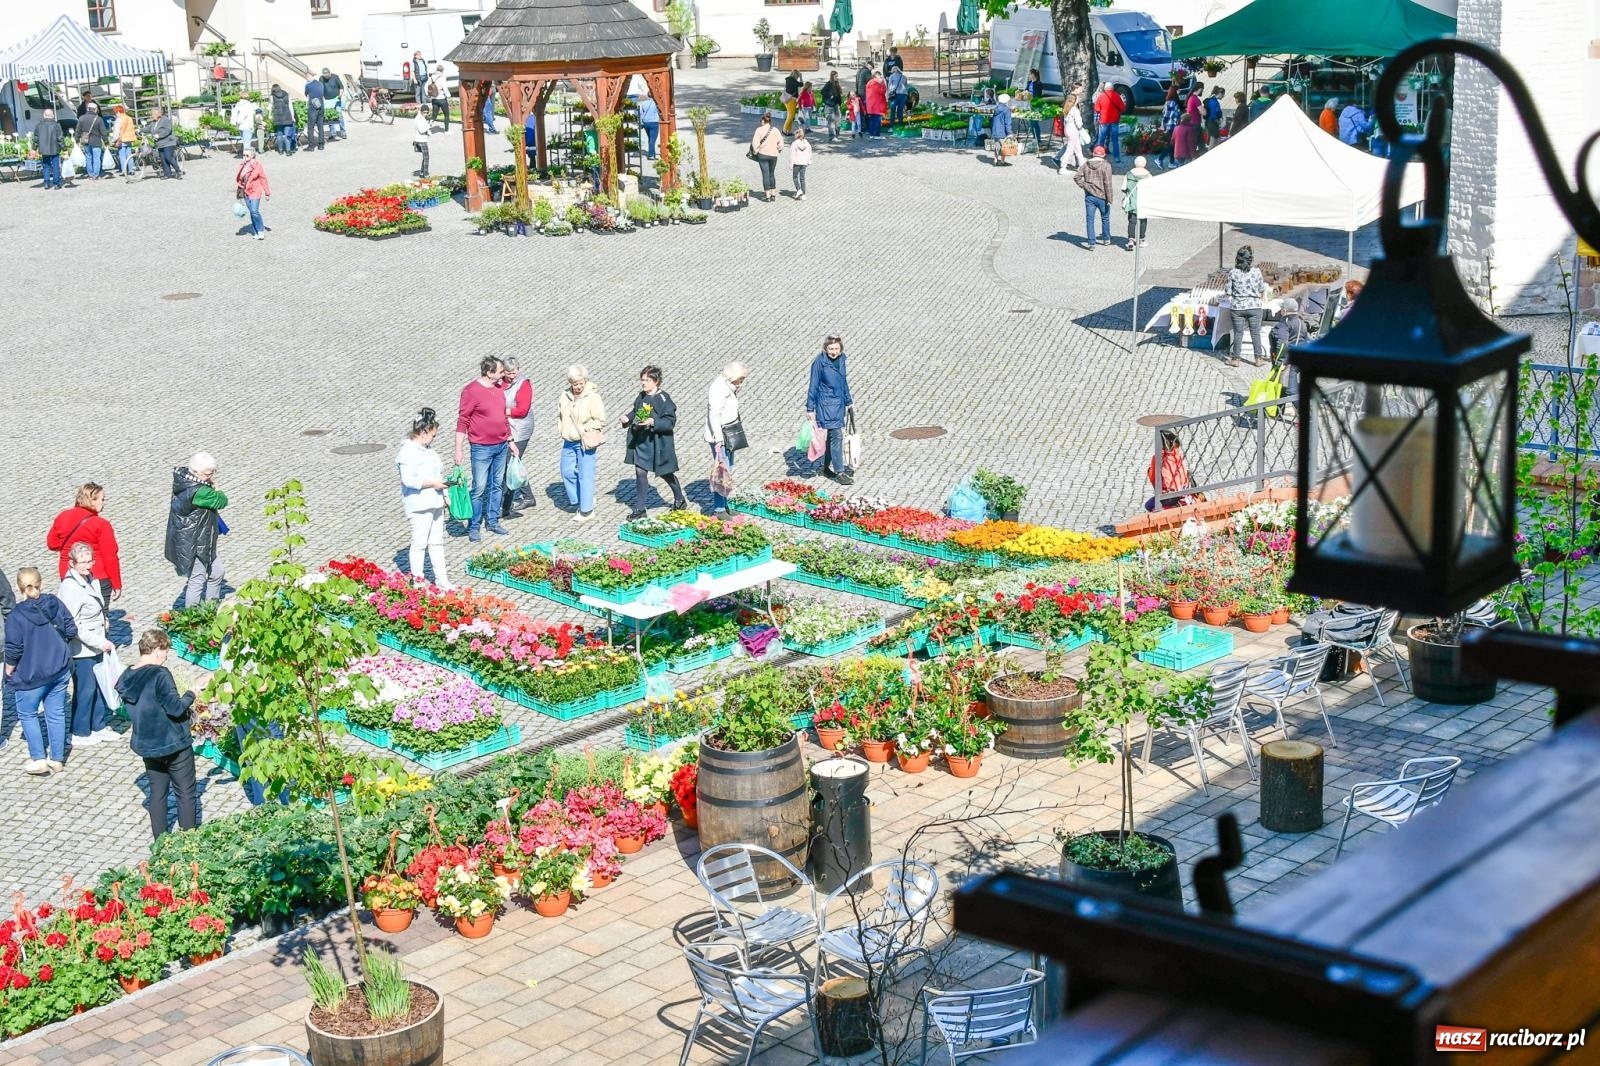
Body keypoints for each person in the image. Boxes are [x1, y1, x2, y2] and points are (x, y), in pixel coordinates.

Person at [118, 630, 198, 840]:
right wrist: (192, 693)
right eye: (165, 651)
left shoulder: (127, 676)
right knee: (186, 794)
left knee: (157, 795)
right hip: (173, 743)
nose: (166, 657)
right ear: (155, 650)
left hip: (148, 746)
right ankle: (189, 841)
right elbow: (175, 709)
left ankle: (160, 843)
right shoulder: (159, 675)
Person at [4, 568, 76, 775]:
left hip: (31, 675)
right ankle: (57, 759)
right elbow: (70, 628)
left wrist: (9, 668)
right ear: (40, 583)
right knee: (56, 713)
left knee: (28, 714)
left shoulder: (16, 616)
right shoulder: (53, 602)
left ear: (19, 588)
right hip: (59, 669)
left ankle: (38, 758)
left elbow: (13, 649)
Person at [57, 543, 115, 750]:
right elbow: (73, 624)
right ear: (72, 563)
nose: (89, 566)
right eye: (84, 562)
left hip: (97, 643)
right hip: (82, 649)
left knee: (99, 684)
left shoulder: (91, 579)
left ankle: (98, 725)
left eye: (90, 561)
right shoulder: (70, 587)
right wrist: (100, 641)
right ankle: (79, 731)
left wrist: (104, 621)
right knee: (85, 689)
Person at [454, 356, 514, 542]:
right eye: (500, 372)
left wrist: (510, 440)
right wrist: (458, 448)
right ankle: (474, 525)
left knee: (497, 485)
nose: (503, 375)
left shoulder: (499, 389)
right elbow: (463, 420)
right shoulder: (471, 391)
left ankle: (493, 521)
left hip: (501, 445)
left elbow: (503, 417)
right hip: (481, 447)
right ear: (489, 373)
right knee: (479, 488)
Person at [396, 408, 453, 588]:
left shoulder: (428, 450)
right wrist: (433, 484)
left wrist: (445, 494)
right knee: (420, 544)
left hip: (435, 501)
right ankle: (418, 582)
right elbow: (409, 480)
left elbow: (438, 472)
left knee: (437, 543)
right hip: (419, 504)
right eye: (433, 435)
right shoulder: (407, 452)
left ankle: (442, 581)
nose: (434, 439)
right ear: (423, 432)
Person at [165, 453, 228, 607]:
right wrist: (217, 490)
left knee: (217, 572)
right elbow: (222, 501)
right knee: (197, 579)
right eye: (208, 473)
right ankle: (193, 620)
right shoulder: (199, 491)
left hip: (198, 539)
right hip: (195, 543)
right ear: (195, 472)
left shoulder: (185, 481)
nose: (212, 476)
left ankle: (210, 608)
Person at [623, 366, 686, 518]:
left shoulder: (663, 399)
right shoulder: (642, 396)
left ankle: (679, 498)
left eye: (647, 380)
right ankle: (640, 509)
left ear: (656, 381)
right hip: (641, 442)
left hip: (657, 444)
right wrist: (628, 418)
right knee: (640, 473)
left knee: (665, 473)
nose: (643, 383)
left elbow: (669, 421)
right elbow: (637, 412)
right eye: (642, 380)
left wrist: (653, 421)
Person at [47, 484, 122, 606]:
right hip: (97, 576)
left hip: (69, 573)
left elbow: (52, 544)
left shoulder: (62, 517)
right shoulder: (101, 524)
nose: (103, 503)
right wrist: (116, 583)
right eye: (101, 499)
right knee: (98, 617)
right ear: (91, 500)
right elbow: (110, 557)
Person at [558, 366, 606, 523]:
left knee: (586, 475)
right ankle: (584, 498)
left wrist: (584, 429)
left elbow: (600, 420)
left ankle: (586, 510)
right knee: (566, 471)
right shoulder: (565, 396)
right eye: (575, 383)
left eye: (581, 383)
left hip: (585, 440)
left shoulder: (593, 397)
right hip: (569, 440)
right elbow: (561, 415)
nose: (578, 386)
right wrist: (562, 430)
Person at [806, 336, 854, 484]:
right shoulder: (819, 363)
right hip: (826, 405)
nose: (834, 352)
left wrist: (849, 401)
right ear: (825, 349)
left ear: (841, 349)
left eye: (836, 349)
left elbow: (843, 382)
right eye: (831, 349)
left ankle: (826, 467)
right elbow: (813, 386)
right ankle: (840, 472)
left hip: (838, 404)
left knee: (832, 437)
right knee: (836, 436)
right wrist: (810, 407)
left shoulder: (841, 360)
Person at [705, 363, 747, 514]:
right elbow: (714, 415)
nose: (740, 382)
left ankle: (725, 504)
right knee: (722, 472)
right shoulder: (718, 389)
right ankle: (719, 508)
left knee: (727, 470)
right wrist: (718, 439)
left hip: (729, 432)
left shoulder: (728, 385)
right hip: (721, 435)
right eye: (739, 379)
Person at [501, 357, 537, 515]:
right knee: (509, 464)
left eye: (514, 372)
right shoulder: (500, 383)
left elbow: (522, 410)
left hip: (520, 429)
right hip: (505, 428)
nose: (512, 376)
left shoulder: (524, 385)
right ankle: (523, 497)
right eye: (509, 373)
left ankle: (506, 504)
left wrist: (503, 411)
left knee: (511, 463)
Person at [1225, 245, 1269, 368]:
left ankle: (1235, 359)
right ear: (1250, 259)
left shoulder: (1233, 272)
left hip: (1237, 307)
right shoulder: (1257, 271)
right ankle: (1258, 359)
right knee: (1255, 333)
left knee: (1238, 333)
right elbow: (1261, 288)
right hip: (1254, 306)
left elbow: (1228, 291)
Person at [1075, 144, 1114, 248]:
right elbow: (1108, 183)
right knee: (1105, 218)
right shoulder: (1106, 165)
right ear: (1104, 155)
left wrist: (1085, 185)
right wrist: (1110, 198)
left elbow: (1077, 177)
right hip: (1103, 196)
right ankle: (1106, 239)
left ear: (1093, 154)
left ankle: (1091, 242)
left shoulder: (1086, 164)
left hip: (1089, 196)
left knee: (1090, 219)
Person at [1146, 430, 1195, 510]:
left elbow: (1154, 479)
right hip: (1184, 492)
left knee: (1148, 505)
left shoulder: (1158, 458)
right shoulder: (1178, 455)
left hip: (1170, 497)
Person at [235, 149, 270, 241]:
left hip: (255, 191)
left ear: (252, 156)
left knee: (254, 211)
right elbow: (240, 179)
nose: (245, 157)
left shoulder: (257, 165)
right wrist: (239, 187)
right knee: (251, 212)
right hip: (246, 191)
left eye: (247, 156)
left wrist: (267, 192)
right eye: (244, 155)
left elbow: (263, 178)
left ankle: (261, 230)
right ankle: (255, 231)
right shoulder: (242, 165)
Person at [750, 114, 783, 202]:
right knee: (772, 174)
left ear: (763, 121)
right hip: (773, 155)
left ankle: (767, 196)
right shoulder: (775, 130)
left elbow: (755, 143)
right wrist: (779, 150)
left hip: (763, 155)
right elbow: (781, 143)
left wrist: (756, 151)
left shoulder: (759, 130)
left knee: (765, 175)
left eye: (761, 121)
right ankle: (773, 194)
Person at [1121, 155, 1150, 250]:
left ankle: (1131, 239)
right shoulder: (1148, 175)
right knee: (1143, 221)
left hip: (1132, 202)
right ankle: (1142, 239)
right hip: (1144, 202)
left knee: (1132, 221)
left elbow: (1123, 188)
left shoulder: (1129, 174)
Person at [34, 109, 64, 190]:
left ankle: (46, 183)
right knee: (56, 166)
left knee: (46, 166)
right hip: (55, 148)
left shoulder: (39, 125)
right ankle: (56, 184)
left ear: (44, 115)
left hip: (44, 149)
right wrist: (64, 148)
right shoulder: (57, 125)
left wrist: (34, 148)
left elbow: (36, 138)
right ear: (52, 115)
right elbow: (60, 138)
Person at [1094, 82, 1124, 161]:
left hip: (1103, 120)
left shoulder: (1101, 96)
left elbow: (1097, 109)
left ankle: (1099, 156)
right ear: (1112, 88)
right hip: (1114, 120)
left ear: (1105, 88)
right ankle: (1116, 157)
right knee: (1115, 140)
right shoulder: (1117, 96)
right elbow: (1122, 108)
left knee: (1101, 139)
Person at [1058, 89, 1086, 171]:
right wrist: (1081, 128)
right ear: (1074, 101)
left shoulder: (1067, 109)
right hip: (1073, 130)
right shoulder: (1075, 110)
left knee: (1078, 148)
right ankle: (1063, 166)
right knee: (1070, 149)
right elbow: (1079, 123)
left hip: (1067, 129)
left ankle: (1082, 165)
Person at [148, 106, 180, 178]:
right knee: (163, 159)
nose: (151, 115)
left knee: (168, 157)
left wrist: (159, 135)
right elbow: (148, 128)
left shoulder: (165, 120)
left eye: (152, 114)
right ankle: (168, 174)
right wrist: (140, 130)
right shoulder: (154, 122)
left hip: (168, 142)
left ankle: (178, 171)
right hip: (160, 143)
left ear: (157, 114)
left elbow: (168, 130)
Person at [77, 101, 105, 179]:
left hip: (85, 141)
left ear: (87, 109)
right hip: (96, 141)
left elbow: (78, 130)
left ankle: (90, 174)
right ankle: (96, 175)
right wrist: (106, 141)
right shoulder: (99, 119)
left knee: (88, 157)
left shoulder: (81, 118)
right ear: (95, 109)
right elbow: (103, 131)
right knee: (96, 158)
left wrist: (77, 140)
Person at [1156, 85, 1180, 169]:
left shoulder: (1170, 101)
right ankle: (1160, 159)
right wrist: (1163, 125)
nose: (1179, 92)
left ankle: (1171, 162)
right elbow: (1166, 115)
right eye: (1177, 90)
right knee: (1171, 144)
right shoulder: (1172, 102)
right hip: (1171, 126)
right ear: (1174, 92)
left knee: (1172, 144)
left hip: (1172, 126)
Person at [112, 103, 139, 177]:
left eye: (115, 112)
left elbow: (116, 131)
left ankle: (124, 171)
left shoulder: (119, 119)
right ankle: (131, 170)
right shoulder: (129, 118)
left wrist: (113, 140)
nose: (115, 114)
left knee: (122, 156)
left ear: (118, 112)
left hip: (122, 139)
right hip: (129, 139)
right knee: (129, 155)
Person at [270, 84, 296, 155]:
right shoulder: (286, 94)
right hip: (287, 116)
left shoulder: (272, 97)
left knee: (279, 134)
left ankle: (280, 150)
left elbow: (271, 107)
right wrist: (293, 117)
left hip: (278, 117)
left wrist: (270, 116)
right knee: (288, 134)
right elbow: (290, 106)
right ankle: (288, 151)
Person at [321, 69, 346, 139]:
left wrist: (340, 95)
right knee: (330, 117)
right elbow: (320, 88)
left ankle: (343, 132)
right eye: (325, 76)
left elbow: (341, 87)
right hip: (327, 101)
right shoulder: (321, 78)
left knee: (339, 115)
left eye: (327, 76)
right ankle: (332, 133)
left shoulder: (335, 77)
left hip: (336, 99)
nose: (326, 77)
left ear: (330, 73)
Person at [990, 94, 1013, 166]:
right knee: (1004, 146)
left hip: (995, 130)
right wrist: (1009, 132)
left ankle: (995, 160)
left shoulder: (996, 108)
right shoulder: (1006, 110)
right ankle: (1002, 161)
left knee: (997, 146)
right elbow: (1007, 123)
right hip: (1002, 130)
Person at [637, 91, 660, 159]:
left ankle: (652, 153)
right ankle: (651, 155)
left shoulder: (643, 103)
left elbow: (640, 113)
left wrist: (640, 122)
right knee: (653, 139)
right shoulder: (656, 103)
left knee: (650, 138)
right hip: (654, 122)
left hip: (646, 122)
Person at [790, 125, 811, 200]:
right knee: (802, 178)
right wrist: (809, 161)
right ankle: (804, 194)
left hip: (797, 163)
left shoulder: (794, 143)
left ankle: (798, 190)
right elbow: (809, 152)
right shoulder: (807, 143)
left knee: (795, 177)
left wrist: (791, 164)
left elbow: (792, 155)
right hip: (804, 163)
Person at [865, 70, 888, 137]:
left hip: (870, 105)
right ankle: (877, 135)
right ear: (876, 76)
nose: (880, 77)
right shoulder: (877, 83)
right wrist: (883, 83)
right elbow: (883, 91)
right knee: (877, 120)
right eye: (879, 76)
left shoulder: (869, 83)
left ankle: (871, 134)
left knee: (871, 120)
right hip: (877, 105)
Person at [821, 70, 843, 140]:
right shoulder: (829, 84)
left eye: (837, 76)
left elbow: (838, 94)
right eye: (835, 76)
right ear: (832, 76)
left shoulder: (836, 83)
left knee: (838, 120)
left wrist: (839, 103)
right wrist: (830, 95)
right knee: (831, 121)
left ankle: (836, 133)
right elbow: (822, 91)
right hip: (830, 104)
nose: (837, 77)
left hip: (836, 104)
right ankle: (831, 136)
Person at [782, 68, 803, 134]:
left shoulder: (788, 79)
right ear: (796, 75)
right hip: (791, 100)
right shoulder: (792, 80)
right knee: (791, 116)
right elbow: (801, 84)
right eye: (798, 76)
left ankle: (789, 130)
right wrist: (801, 77)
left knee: (791, 116)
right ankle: (784, 130)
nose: (798, 77)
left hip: (789, 99)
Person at [430, 65, 451, 130]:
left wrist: (429, 95)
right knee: (446, 115)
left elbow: (426, 87)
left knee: (434, 114)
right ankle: (446, 130)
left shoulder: (431, 78)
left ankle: (429, 126)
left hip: (434, 99)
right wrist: (448, 96)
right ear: (442, 71)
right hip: (442, 98)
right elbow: (445, 88)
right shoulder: (442, 78)